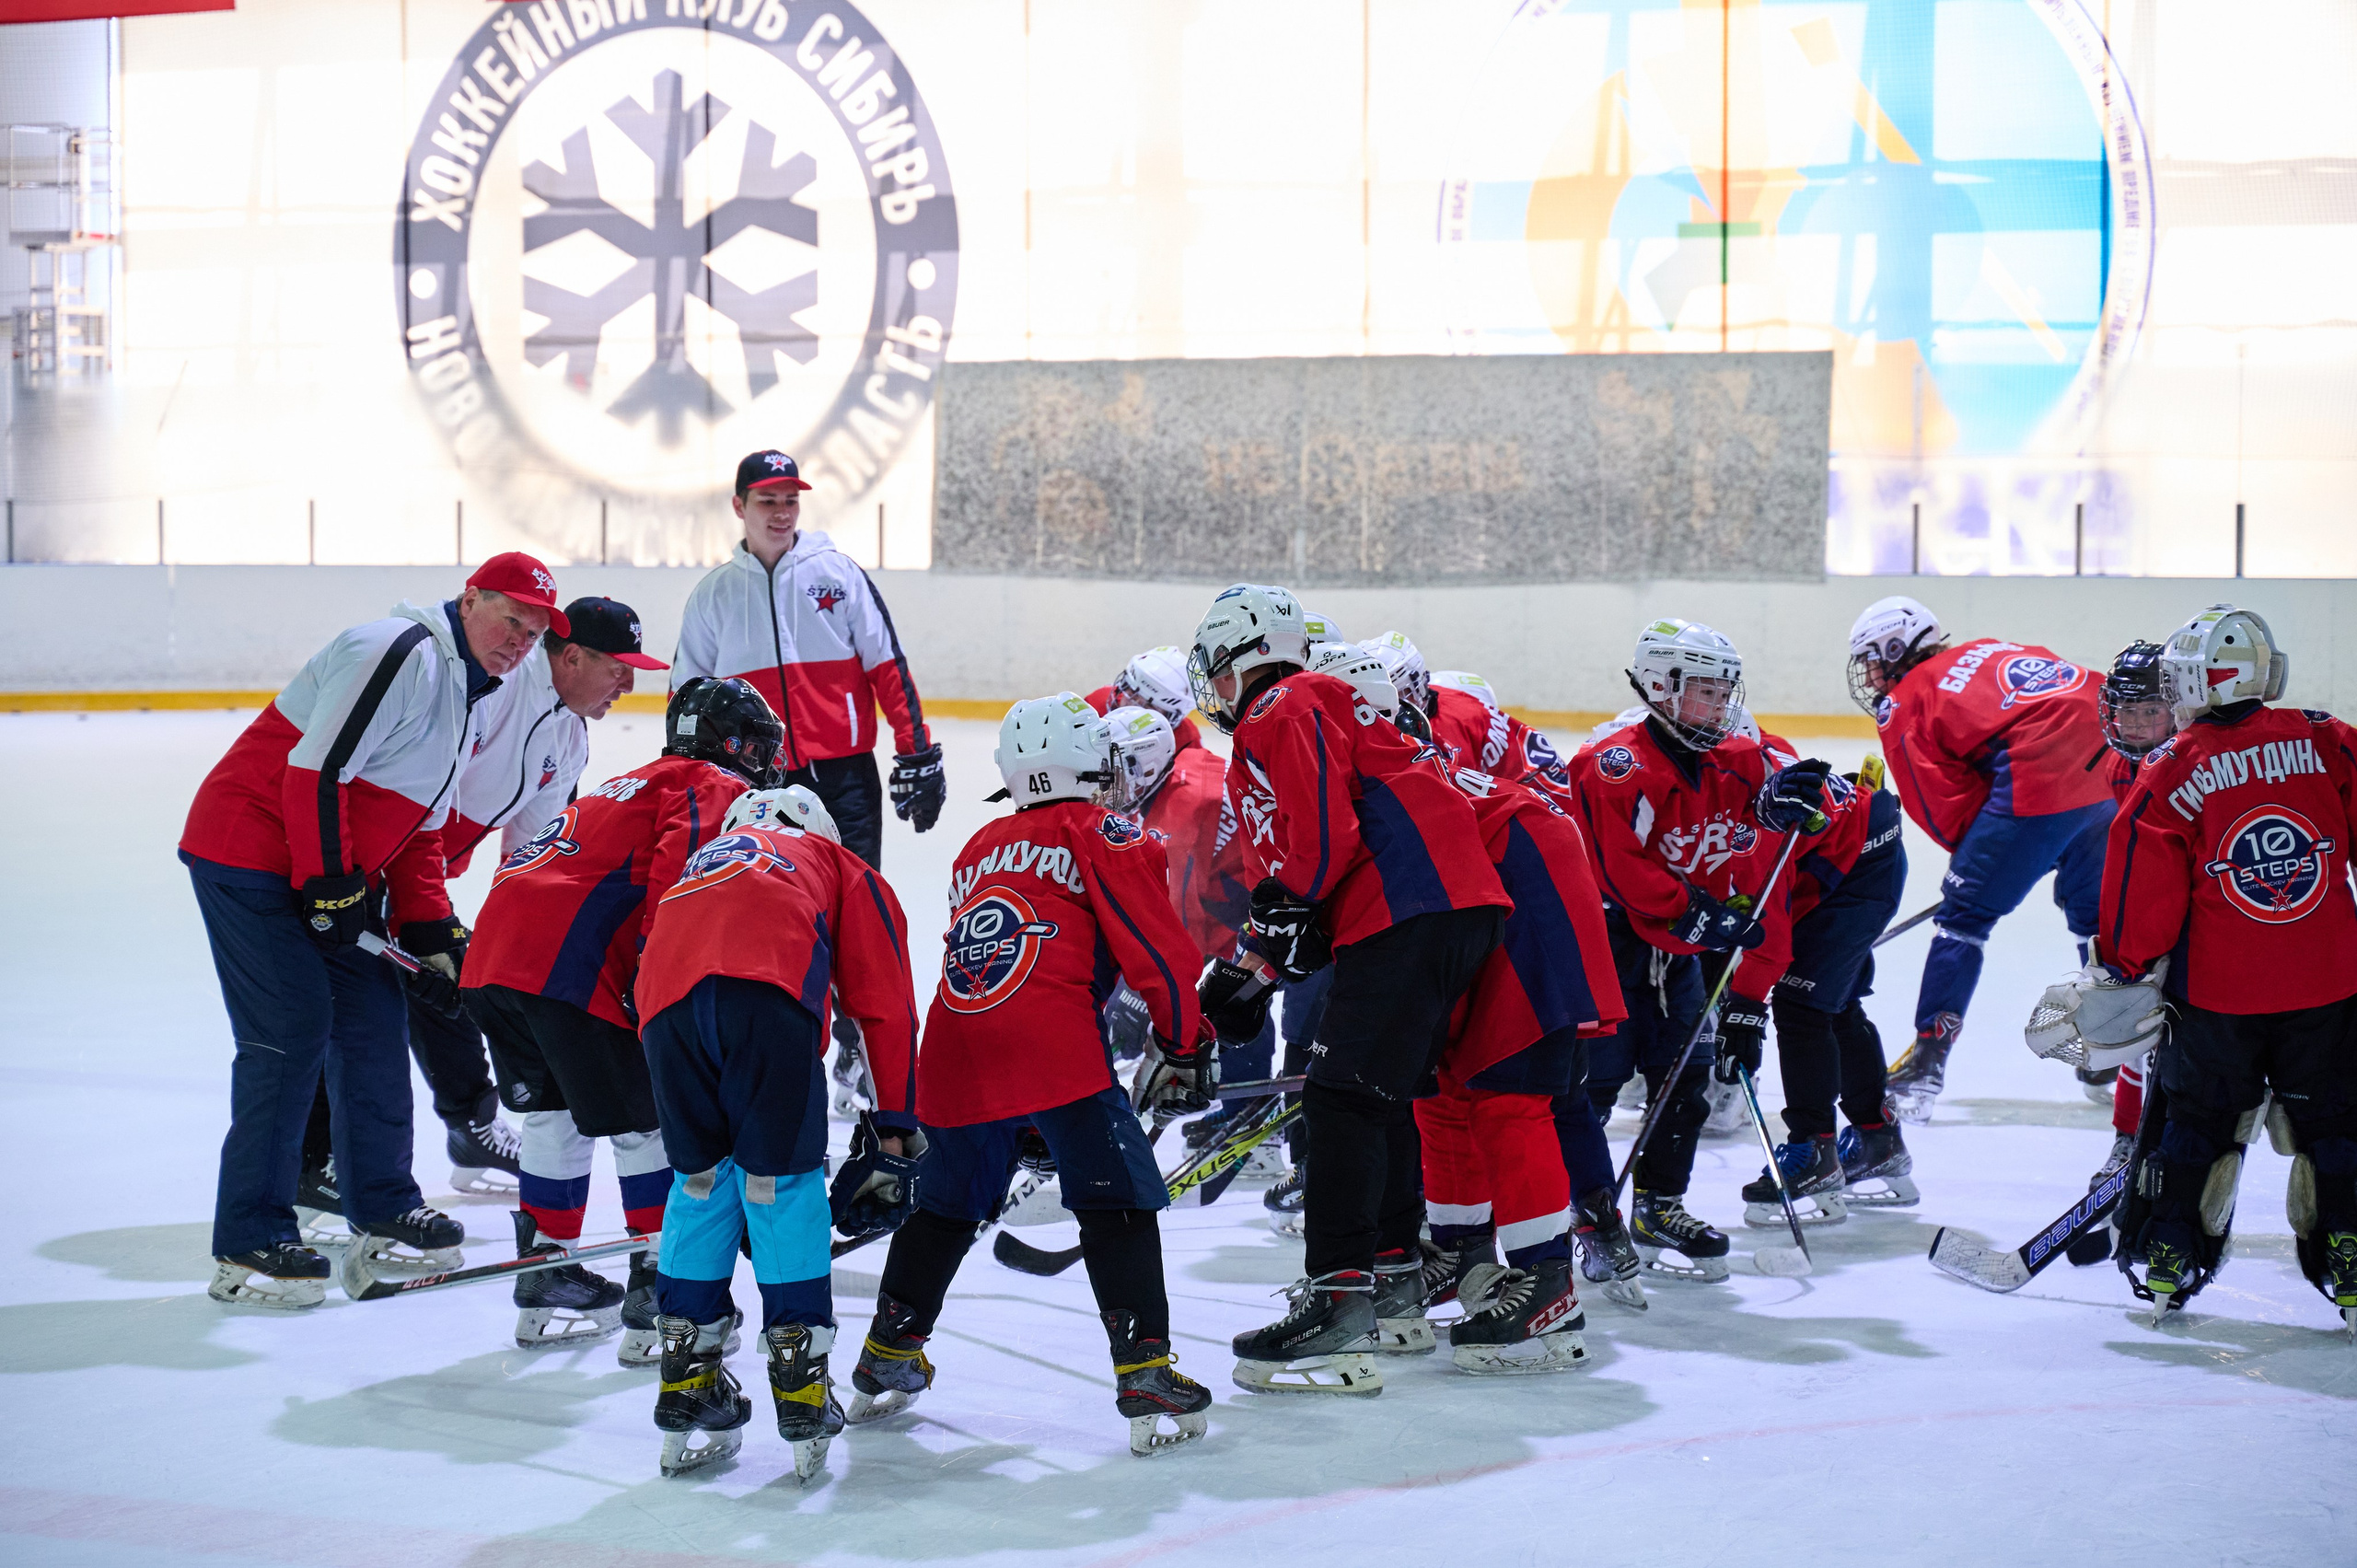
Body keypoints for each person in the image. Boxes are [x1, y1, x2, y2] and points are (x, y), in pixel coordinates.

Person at [182, 553, 563, 1308]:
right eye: (510, 618)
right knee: (290, 1028)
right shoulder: (398, 651)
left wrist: (432, 930)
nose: (521, 639)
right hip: (247, 853)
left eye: (534, 630)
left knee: (373, 1021)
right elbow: (315, 772)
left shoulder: (472, 691)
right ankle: (249, 1234)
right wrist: (331, 885)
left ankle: (382, 1201)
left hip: (327, 872)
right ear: (470, 598)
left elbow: (422, 825)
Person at [846, 696, 1215, 1457]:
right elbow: (1161, 952)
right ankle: (1145, 1368)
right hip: (1053, 1051)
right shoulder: (1108, 829)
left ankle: (890, 1346)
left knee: (946, 1208)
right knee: (1116, 1200)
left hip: (951, 1055)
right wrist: (1184, 1042)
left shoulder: (979, 843)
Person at [1189, 585, 1509, 1395]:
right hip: (1444, 905)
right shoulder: (1322, 703)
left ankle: (1338, 1298)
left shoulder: (1283, 705)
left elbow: (1324, 841)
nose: (1218, 693)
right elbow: (1317, 870)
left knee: (1341, 1097)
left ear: (1249, 658)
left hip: (1408, 907)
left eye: (1221, 673)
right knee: (1380, 1091)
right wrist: (1258, 963)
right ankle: (1396, 1273)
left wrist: (1274, 929)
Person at [294, 596, 667, 1222]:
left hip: (414, 868)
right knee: (358, 1003)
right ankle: (315, 1161)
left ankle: (472, 1126)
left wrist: (492, 953)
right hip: (361, 856)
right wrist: (428, 915)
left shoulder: (568, 737)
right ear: (571, 657)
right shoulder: (496, 690)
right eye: (619, 667)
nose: (629, 684)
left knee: (455, 981)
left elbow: (531, 865)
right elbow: (417, 788)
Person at [459, 678, 777, 1353]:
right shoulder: (713, 784)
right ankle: (658, 1290)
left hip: (495, 959)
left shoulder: (629, 780)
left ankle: (548, 1271)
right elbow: (678, 878)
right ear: (735, 744)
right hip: (574, 970)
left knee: (551, 1117)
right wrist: (658, 984)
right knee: (647, 1127)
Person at [633, 784, 921, 1481]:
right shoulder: (834, 860)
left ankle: (686, 1376)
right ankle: (799, 1384)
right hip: (765, 995)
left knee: (699, 1182)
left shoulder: (704, 861)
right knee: (778, 1184)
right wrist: (897, 1127)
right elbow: (885, 1008)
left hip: (663, 1010)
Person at [2081, 606, 2357, 1328]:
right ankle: (2349, 1249)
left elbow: (2140, 887)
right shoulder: (2327, 739)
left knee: (2197, 1122)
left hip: (2219, 998)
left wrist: (2121, 967)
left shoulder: (2175, 766)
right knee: (2336, 1122)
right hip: (2329, 984)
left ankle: (2171, 1247)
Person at [1565, 621, 1817, 1268]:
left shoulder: (1731, 754)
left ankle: (1657, 1206)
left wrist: (1775, 805)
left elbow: (1748, 812)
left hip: (1678, 948)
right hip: (1611, 943)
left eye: (1725, 689)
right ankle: (1591, 1216)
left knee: (1685, 1080)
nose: (1721, 704)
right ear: (1662, 686)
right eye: (1706, 689)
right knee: (1596, 1085)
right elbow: (1619, 871)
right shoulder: (1613, 766)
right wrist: (1698, 917)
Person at [1845, 595, 2114, 1121]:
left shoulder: (1903, 700)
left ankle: (1925, 1064)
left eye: (1874, 659)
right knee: (2096, 923)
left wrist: (1988, 866)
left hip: (2038, 782)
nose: (1872, 675)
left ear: (1898, 650)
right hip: (2108, 770)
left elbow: (1938, 806)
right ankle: (2112, 1048)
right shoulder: (1990, 647)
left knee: (1963, 920)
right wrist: (2049, 841)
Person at [670, 450, 943, 865]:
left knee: (857, 899)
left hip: (847, 778)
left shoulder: (839, 574)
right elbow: (686, 699)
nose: (782, 513)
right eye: (768, 501)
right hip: (753, 781)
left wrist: (916, 752)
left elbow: (888, 668)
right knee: (774, 908)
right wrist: (681, 778)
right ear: (739, 506)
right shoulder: (714, 594)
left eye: (791, 501)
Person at [2065, 639, 2177, 1265]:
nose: (2133, 724)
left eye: (2150, 711)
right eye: (2125, 711)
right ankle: (2127, 1140)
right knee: (2133, 1031)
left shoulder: (2189, 762)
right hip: (2146, 927)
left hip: (2198, 928)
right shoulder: (2118, 765)